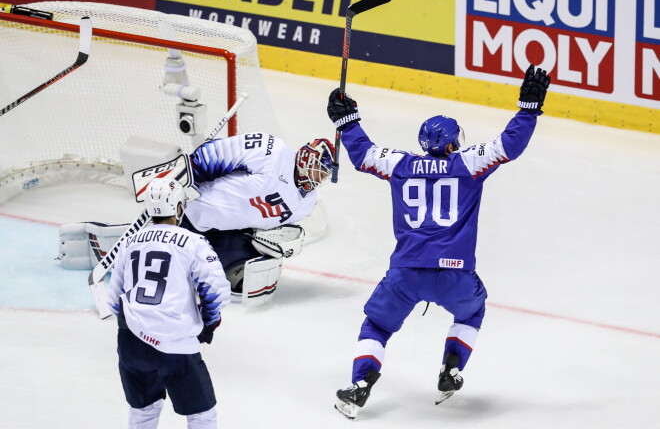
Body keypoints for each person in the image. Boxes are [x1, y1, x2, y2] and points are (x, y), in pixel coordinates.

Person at [327, 64, 551, 419]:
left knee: (378, 326)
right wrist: (528, 108)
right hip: (455, 276)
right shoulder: (467, 164)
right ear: (450, 143)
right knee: (473, 311)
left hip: (405, 274)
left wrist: (347, 121)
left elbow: (363, 154)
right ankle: (451, 370)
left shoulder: (399, 165)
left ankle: (358, 387)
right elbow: (510, 145)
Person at [107, 177, 232, 429]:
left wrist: (135, 325)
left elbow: (113, 299)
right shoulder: (192, 242)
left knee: (143, 411)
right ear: (177, 208)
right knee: (201, 414)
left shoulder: (129, 241)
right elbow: (216, 291)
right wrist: (208, 324)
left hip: (131, 343)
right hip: (175, 344)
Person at [180, 133, 335, 305]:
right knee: (172, 274)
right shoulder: (275, 152)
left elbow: (267, 226)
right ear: (308, 159)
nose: (320, 179)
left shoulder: (307, 202)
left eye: (324, 176)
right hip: (186, 215)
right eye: (320, 171)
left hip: (224, 234)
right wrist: (184, 180)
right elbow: (217, 152)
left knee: (249, 276)